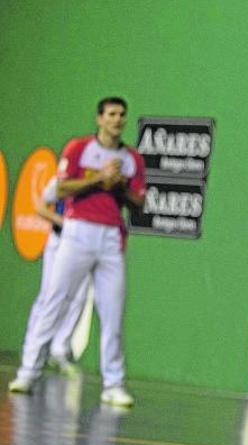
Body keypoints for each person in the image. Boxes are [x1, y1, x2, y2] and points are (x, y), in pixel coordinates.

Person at [8, 96, 145, 409]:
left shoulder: (133, 159)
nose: (117, 120)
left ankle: (114, 384)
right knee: (54, 300)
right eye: (111, 114)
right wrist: (99, 178)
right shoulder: (79, 148)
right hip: (77, 231)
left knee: (112, 313)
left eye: (122, 115)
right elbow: (59, 189)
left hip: (111, 238)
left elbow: (139, 202)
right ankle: (28, 372)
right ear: (99, 119)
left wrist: (120, 185)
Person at [23, 178, 92, 376]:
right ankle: (33, 348)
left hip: (83, 245)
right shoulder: (62, 180)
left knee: (78, 297)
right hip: (59, 242)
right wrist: (64, 222)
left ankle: (59, 350)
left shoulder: (96, 183)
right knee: (49, 295)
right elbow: (41, 208)